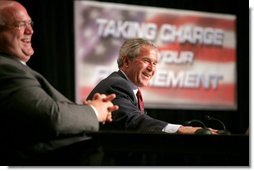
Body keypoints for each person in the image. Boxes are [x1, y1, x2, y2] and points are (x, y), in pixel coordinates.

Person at [0, 1, 118, 165]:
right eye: (20, 24)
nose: (30, 30)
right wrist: (94, 111)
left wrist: (88, 108)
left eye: (30, 23)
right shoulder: (6, 68)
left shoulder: (14, 67)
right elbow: (50, 117)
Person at [87, 38, 218, 134]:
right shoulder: (116, 85)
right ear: (126, 61)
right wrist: (180, 129)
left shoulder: (127, 86)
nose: (151, 68)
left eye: (155, 63)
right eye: (146, 61)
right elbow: (133, 121)